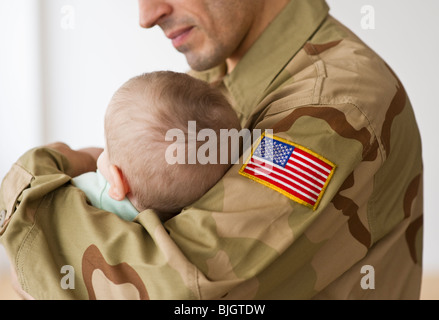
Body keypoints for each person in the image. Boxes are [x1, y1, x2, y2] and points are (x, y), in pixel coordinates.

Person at [0, 0, 423, 300]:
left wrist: (29, 187)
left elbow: (180, 287)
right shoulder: (219, 83)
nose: (146, 15)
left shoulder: (331, 108)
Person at [72, 71, 241, 223]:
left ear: (118, 183)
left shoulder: (83, 195)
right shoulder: (179, 223)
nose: (102, 151)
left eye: (108, 149)